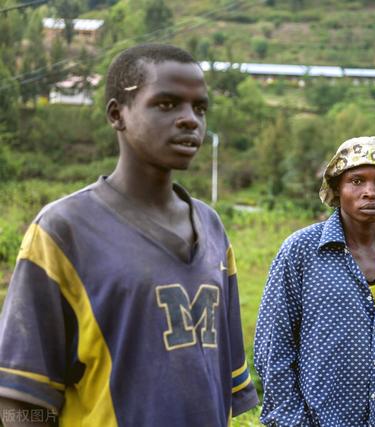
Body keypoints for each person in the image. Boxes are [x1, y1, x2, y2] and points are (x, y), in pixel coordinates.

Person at [0, 43, 258, 426]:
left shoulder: (212, 228)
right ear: (117, 114)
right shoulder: (62, 230)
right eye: (167, 104)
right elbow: (19, 400)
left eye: (199, 108)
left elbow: (224, 386)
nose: (190, 120)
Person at [254, 136, 375, 426]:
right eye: (356, 181)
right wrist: (292, 420)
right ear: (337, 189)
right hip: (317, 420)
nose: (370, 192)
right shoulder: (301, 251)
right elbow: (273, 346)